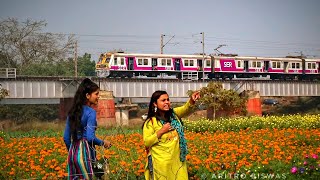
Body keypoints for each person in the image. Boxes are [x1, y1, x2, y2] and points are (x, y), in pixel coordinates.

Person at [143, 90, 200, 180]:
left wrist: (192, 101)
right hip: (162, 164)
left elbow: (185, 109)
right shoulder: (150, 122)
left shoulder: (174, 115)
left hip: (178, 161)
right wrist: (161, 131)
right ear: (155, 104)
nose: (167, 102)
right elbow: (147, 142)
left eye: (168, 100)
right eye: (163, 100)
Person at [63, 78, 111, 179]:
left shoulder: (72, 112)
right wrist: (103, 143)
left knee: (97, 169)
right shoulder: (90, 112)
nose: (98, 97)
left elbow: (66, 138)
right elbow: (90, 138)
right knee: (100, 172)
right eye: (96, 94)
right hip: (87, 155)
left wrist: (74, 153)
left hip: (72, 155)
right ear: (88, 96)